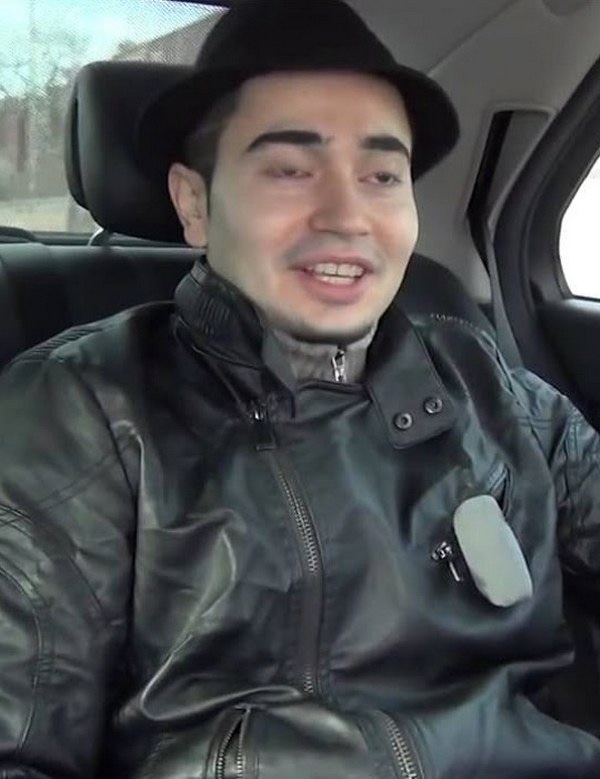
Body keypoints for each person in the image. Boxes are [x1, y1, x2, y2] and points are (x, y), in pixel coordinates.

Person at [1, 0, 600, 776]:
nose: (348, 216)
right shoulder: (77, 414)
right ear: (194, 203)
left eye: (382, 175)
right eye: (290, 170)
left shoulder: (488, 383)